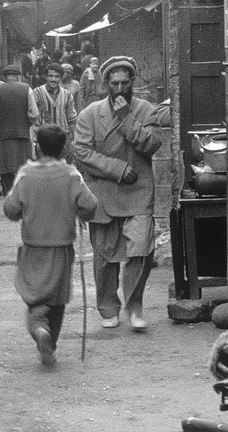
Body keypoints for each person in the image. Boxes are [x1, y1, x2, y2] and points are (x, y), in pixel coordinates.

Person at [72, 55, 169, 331]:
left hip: (138, 192)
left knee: (141, 251)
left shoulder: (146, 110)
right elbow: (81, 152)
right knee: (105, 256)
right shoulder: (90, 114)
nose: (119, 88)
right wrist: (116, 168)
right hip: (102, 192)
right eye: (114, 83)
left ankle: (135, 306)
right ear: (105, 84)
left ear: (132, 83)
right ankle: (108, 307)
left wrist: (127, 121)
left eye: (125, 83)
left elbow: (152, 145)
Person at [4, 125, 98, 367]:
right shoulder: (71, 175)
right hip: (62, 250)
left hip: (33, 249)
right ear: (65, 148)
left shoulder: (25, 174)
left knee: (36, 300)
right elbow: (90, 205)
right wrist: (77, 212)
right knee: (57, 300)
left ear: (37, 146)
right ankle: (49, 343)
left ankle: (38, 330)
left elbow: (11, 209)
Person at [0, 64, 38, 194]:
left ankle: (9, 195)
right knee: (23, 167)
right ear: (18, 76)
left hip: (3, 135)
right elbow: (34, 114)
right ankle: (23, 194)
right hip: (22, 134)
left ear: (4, 77)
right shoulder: (27, 89)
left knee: (6, 168)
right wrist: (26, 123)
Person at [32, 64, 78, 138]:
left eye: (57, 76)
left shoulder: (67, 95)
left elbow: (71, 118)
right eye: (50, 76)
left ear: (60, 78)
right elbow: (33, 117)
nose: (53, 79)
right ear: (46, 77)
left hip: (62, 136)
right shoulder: (37, 93)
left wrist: (76, 138)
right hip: (43, 136)